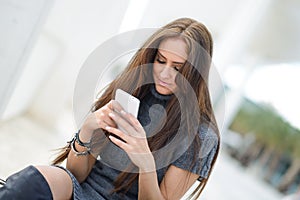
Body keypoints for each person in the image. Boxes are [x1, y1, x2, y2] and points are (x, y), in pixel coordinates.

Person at [0, 17, 220, 200]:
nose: (164, 74)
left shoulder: (201, 136)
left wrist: (146, 162)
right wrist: (86, 130)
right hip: (82, 191)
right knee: (32, 181)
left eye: (177, 68)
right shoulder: (132, 91)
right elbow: (77, 174)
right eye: (161, 60)